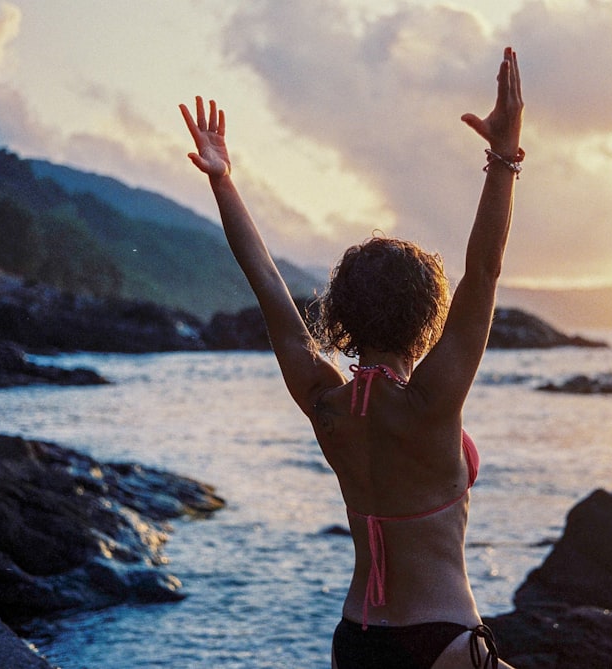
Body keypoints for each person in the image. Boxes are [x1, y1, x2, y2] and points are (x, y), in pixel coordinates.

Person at [181, 46, 523, 669]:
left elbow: (265, 281)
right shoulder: (430, 402)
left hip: (356, 640)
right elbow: (485, 272)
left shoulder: (325, 402)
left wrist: (223, 181)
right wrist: (502, 160)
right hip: (440, 639)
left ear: (341, 312)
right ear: (428, 316)